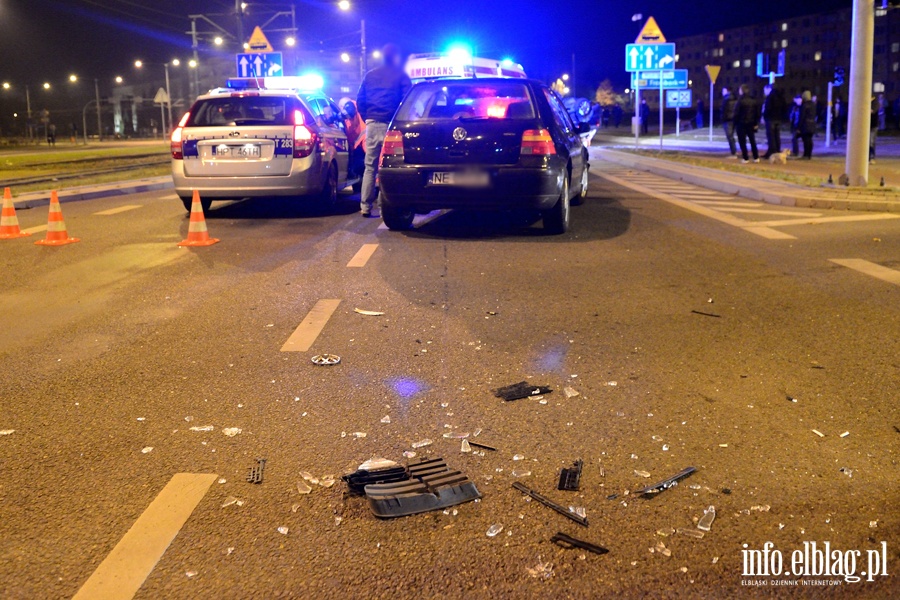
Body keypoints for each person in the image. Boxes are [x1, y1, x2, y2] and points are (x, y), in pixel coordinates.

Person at [356, 44, 411, 217]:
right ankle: (383, 204)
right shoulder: (401, 76)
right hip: (391, 127)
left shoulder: (370, 75)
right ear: (395, 58)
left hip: (372, 124)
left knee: (369, 167)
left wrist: (368, 118)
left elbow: (360, 100)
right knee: (389, 166)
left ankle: (365, 206)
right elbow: (407, 101)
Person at [339, 97, 366, 186]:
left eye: (340, 108)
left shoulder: (350, 104)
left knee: (360, 166)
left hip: (362, 141)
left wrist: (335, 116)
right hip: (359, 142)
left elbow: (349, 112)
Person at [734, 85, 759, 163]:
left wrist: (735, 123)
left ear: (741, 91)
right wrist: (755, 123)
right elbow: (757, 113)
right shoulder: (753, 100)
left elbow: (736, 113)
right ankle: (756, 157)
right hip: (751, 123)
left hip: (741, 124)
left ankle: (745, 158)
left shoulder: (740, 101)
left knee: (742, 141)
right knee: (752, 140)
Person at [761, 84, 785, 159]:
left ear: (769, 89)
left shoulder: (770, 97)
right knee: (777, 136)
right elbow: (784, 107)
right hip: (778, 119)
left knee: (771, 137)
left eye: (765, 90)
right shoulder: (780, 96)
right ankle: (777, 151)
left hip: (771, 119)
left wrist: (764, 116)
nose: (764, 92)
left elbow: (767, 108)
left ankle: (772, 153)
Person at [799, 91, 817, 159]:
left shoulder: (804, 105)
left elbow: (802, 116)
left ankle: (806, 155)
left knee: (806, 140)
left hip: (806, 125)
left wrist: (799, 127)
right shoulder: (813, 104)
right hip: (812, 124)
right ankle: (809, 155)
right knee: (810, 140)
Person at [721, 86, 738, 158]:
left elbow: (724, 111)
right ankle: (734, 151)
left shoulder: (726, 99)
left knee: (730, 136)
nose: (722, 92)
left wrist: (722, 118)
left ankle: (733, 152)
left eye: (723, 91)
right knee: (732, 136)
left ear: (726, 91)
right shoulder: (735, 98)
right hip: (734, 119)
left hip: (727, 120)